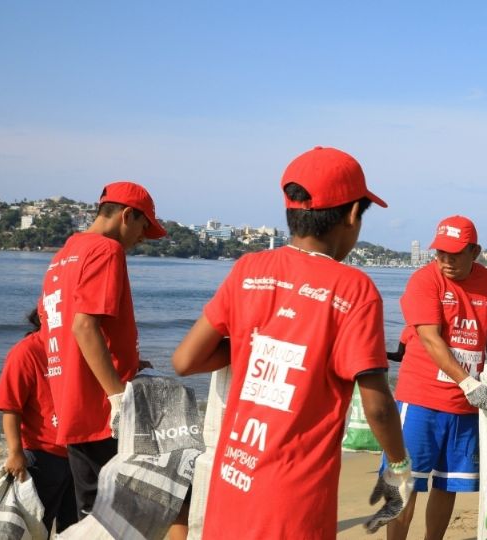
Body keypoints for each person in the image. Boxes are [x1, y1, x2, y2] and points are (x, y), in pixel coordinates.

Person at [172, 147, 409, 538]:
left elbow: (185, 359)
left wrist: (257, 343)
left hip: (233, 481)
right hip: (295, 500)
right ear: (352, 215)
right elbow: (378, 406)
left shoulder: (248, 269)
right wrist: (399, 468)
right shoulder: (353, 289)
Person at [38, 181, 166, 520]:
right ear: (127, 215)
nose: (141, 238)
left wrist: (130, 361)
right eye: (143, 226)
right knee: (116, 517)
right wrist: (116, 396)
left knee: (91, 512)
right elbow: (83, 326)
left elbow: (60, 327)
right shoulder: (106, 250)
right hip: (101, 412)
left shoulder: (63, 256)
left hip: (73, 404)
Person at [386, 215, 487, 540]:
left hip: (467, 407)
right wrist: (467, 381)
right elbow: (430, 338)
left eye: (455, 253)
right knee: (405, 483)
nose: (446, 260)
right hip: (422, 400)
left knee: (447, 482)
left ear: (476, 251)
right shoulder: (424, 281)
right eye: (440, 252)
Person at [0, 309, 77, 533]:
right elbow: (10, 407)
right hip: (42, 456)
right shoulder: (25, 352)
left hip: (78, 453)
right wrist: (15, 453)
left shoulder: (75, 347)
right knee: (38, 526)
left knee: (75, 527)